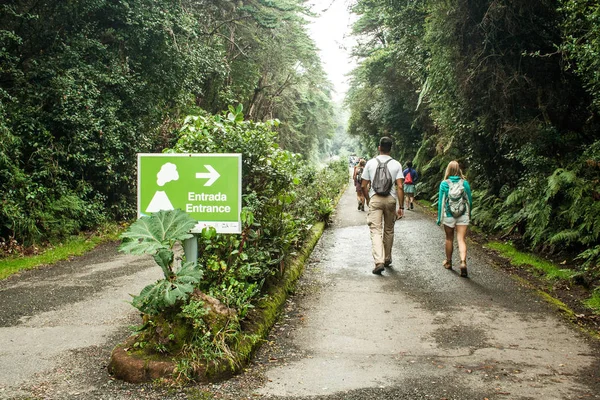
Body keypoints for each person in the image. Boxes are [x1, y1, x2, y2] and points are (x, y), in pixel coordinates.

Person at [360, 137, 404, 275]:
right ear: (391, 148)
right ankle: (387, 258)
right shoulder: (396, 164)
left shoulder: (371, 163)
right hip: (390, 200)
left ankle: (378, 261)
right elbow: (400, 186)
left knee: (376, 230)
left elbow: (363, 185)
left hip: (375, 199)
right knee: (389, 230)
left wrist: (368, 199)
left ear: (379, 147)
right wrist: (401, 207)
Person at [436, 160, 473, 277]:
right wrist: (469, 214)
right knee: (461, 239)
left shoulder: (444, 184)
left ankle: (449, 262)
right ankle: (462, 262)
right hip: (463, 214)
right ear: (459, 170)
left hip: (449, 215)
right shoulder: (465, 183)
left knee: (449, 239)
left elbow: (441, 202)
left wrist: (439, 218)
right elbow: (469, 201)